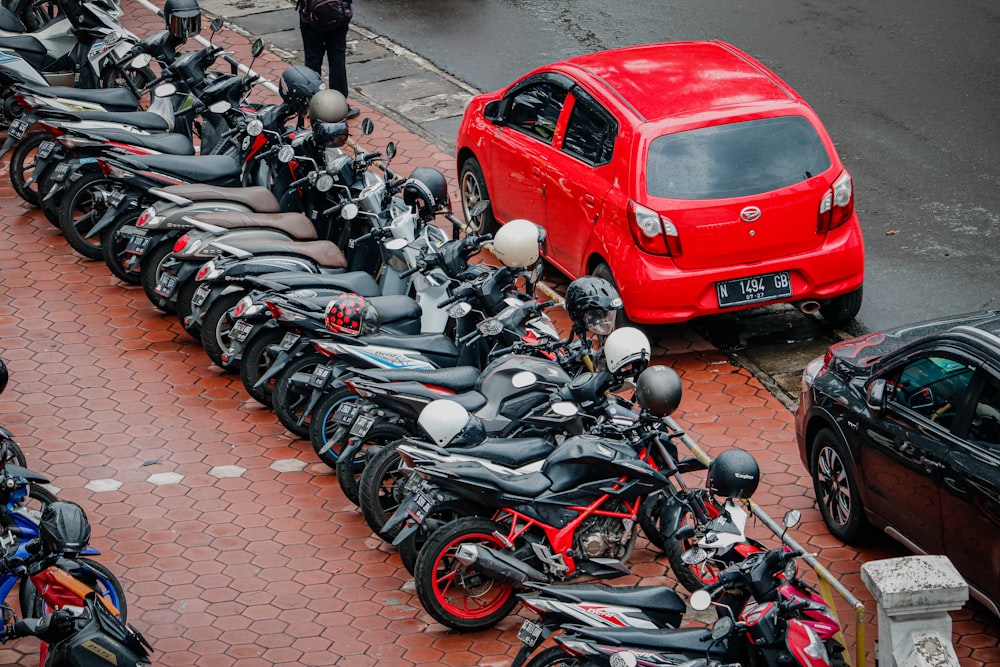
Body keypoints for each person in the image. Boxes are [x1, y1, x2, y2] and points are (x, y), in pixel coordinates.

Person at [297, 0, 360, 119]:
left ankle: (313, 105)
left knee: (312, 60)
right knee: (337, 59)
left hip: (311, 16)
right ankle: (339, 106)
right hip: (337, 14)